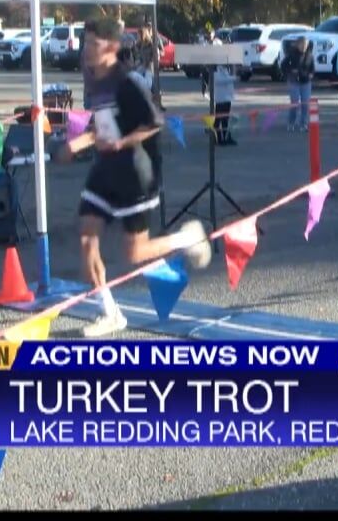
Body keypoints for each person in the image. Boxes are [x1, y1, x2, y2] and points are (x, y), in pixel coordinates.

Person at [57, 18, 211, 337]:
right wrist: (78, 143)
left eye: (93, 45)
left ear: (112, 48)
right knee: (87, 238)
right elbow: (99, 124)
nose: (86, 50)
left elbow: (155, 122)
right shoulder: (93, 79)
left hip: (134, 174)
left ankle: (187, 238)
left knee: (135, 254)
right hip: (104, 172)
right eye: (85, 43)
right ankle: (110, 311)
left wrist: (121, 142)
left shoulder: (127, 82)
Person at [281, 36, 315, 132]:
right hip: (294, 81)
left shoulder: (310, 55)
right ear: (298, 44)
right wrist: (290, 72)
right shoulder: (292, 54)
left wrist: (311, 74)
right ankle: (291, 123)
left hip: (306, 82)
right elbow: (283, 65)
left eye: (306, 45)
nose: (304, 46)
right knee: (295, 103)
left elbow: (312, 68)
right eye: (302, 44)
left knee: (305, 104)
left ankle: (303, 124)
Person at [211, 63, 237, 146]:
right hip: (220, 99)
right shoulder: (216, 71)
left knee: (225, 119)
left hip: (227, 98)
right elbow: (221, 81)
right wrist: (233, 77)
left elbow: (229, 80)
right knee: (218, 120)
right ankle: (218, 139)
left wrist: (233, 74)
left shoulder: (225, 70)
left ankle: (226, 137)